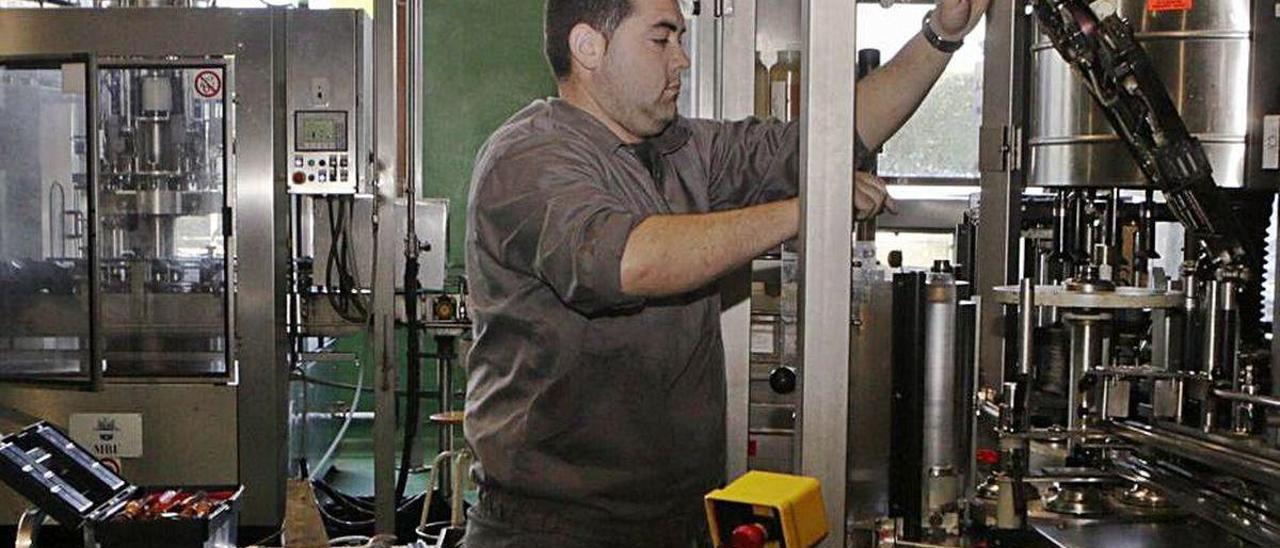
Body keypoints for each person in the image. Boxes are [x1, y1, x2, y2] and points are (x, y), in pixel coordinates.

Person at [462, 0, 989, 546]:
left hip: (676, 519)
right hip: (555, 529)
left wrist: (941, 36)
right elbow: (631, 260)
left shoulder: (678, 150)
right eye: (661, 39)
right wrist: (809, 208)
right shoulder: (528, 158)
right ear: (589, 46)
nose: (682, 60)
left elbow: (826, 143)